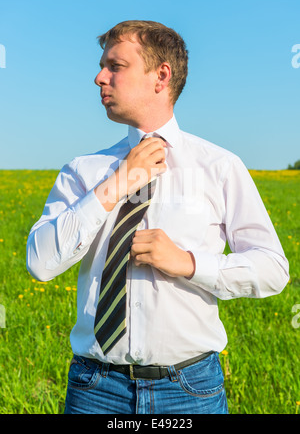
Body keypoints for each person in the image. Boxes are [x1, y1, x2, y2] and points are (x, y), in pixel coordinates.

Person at [26, 20, 289, 415]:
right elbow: (39, 264)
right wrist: (115, 186)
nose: (100, 77)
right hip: (95, 389)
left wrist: (189, 264)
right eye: (103, 66)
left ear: (160, 75)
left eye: (116, 65)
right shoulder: (83, 171)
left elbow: (273, 268)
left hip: (189, 389)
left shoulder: (219, 166)